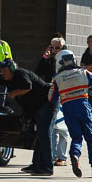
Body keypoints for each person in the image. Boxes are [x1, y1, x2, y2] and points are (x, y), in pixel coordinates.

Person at [49, 50, 92, 178]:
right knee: (90, 139)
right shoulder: (83, 72)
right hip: (83, 106)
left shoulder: (57, 78)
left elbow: (51, 98)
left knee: (76, 137)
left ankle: (75, 154)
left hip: (68, 109)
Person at [35, 36, 69, 166]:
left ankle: (62, 156)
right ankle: (53, 155)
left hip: (64, 94)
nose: (55, 50)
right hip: (51, 93)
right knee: (53, 126)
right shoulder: (49, 61)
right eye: (53, 47)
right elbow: (38, 72)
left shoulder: (67, 60)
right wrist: (44, 57)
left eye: (58, 47)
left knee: (63, 128)